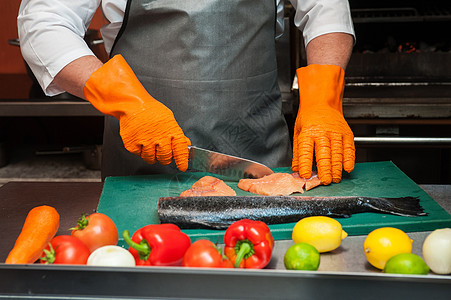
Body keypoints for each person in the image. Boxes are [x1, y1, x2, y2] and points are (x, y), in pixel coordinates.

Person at [17, 0, 355, 184]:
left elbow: (326, 10)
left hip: (259, 165)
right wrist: (128, 103)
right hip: (142, 169)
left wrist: (323, 100)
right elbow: (45, 22)